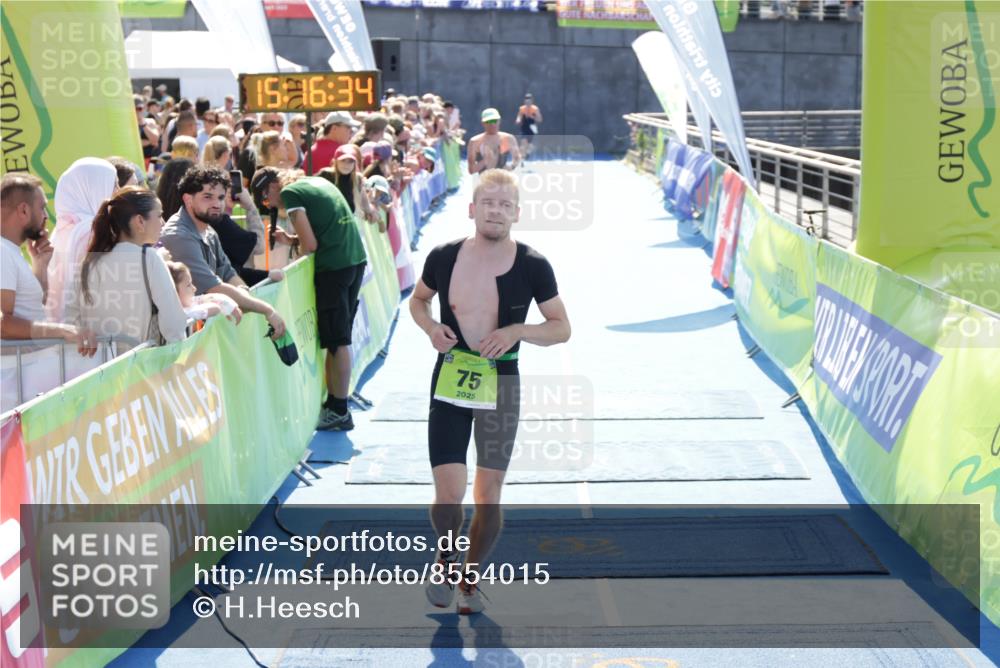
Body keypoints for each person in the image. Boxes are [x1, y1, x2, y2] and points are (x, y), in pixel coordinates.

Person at [410, 169, 570, 614]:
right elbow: (418, 301)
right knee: (448, 490)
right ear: (472, 209)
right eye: (488, 203)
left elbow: (562, 329)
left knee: (488, 492)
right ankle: (445, 561)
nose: (495, 211)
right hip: (450, 376)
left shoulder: (534, 264)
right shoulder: (443, 256)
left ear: (516, 213)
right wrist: (429, 328)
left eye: (504, 205)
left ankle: (469, 580)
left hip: (501, 382)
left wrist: (517, 330)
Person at [250, 167, 367, 431]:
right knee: (337, 340)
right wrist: (293, 240)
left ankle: (339, 408)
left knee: (338, 342)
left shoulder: (291, 194)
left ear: (271, 188)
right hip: (353, 261)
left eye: (266, 200)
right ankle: (335, 404)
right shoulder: (312, 182)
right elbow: (320, 232)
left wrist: (297, 244)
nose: (270, 205)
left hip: (334, 268)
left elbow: (311, 246)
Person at [159, 166, 286, 339]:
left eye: (220, 197)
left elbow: (228, 273)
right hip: (180, 341)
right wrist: (267, 309)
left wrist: (244, 293)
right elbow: (215, 286)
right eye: (207, 197)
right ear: (188, 199)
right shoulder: (179, 236)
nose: (217, 204)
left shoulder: (208, 229)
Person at [71, 187, 189, 347]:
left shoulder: (88, 262)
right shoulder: (149, 258)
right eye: (159, 215)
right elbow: (173, 322)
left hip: (96, 366)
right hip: (139, 366)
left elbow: (71, 317)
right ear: (140, 221)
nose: (163, 222)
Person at [1, 174, 96, 353]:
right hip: (16, 376)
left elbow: (31, 304)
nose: (46, 216)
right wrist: (63, 331)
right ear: (23, 211)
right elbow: (4, 324)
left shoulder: (9, 250)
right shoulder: (3, 252)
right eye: (42, 208)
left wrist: (40, 265)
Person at [46, 157, 119, 323]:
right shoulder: (91, 231)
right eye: (114, 184)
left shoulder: (64, 228)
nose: (118, 192)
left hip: (67, 329)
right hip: (90, 333)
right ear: (94, 188)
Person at [167, 261, 241, 323]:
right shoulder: (183, 313)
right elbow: (215, 308)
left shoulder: (188, 303)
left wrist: (231, 307)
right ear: (174, 292)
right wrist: (220, 307)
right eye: (188, 285)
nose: (194, 288)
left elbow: (210, 297)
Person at [467, 108, 520, 176]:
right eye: (489, 121)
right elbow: (471, 170)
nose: (492, 124)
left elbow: (517, 158)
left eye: (495, 121)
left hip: (503, 181)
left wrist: (511, 167)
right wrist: (485, 161)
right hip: (485, 182)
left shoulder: (508, 138)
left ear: (499, 121)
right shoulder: (474, 142)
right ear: (483, 123)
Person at [309, 111, 358, 175]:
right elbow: (354, 180)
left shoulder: (311, 151)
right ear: (334, 128)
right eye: (348, 127)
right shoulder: (343, 152)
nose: (351, 131)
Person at [515, 93, 543, 159]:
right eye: (526, 100)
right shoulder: (522, 109)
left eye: (529, 100)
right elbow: (519, 116)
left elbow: (540, 119)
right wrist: (518, 120)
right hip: (524, 127)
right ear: (524, 101)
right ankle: (522, 157)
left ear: (532, 101)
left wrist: (533, 117)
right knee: (523, 142)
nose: (528, 101)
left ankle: (527, 153)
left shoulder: (535, 109)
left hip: (532, 127)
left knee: (531, 144)